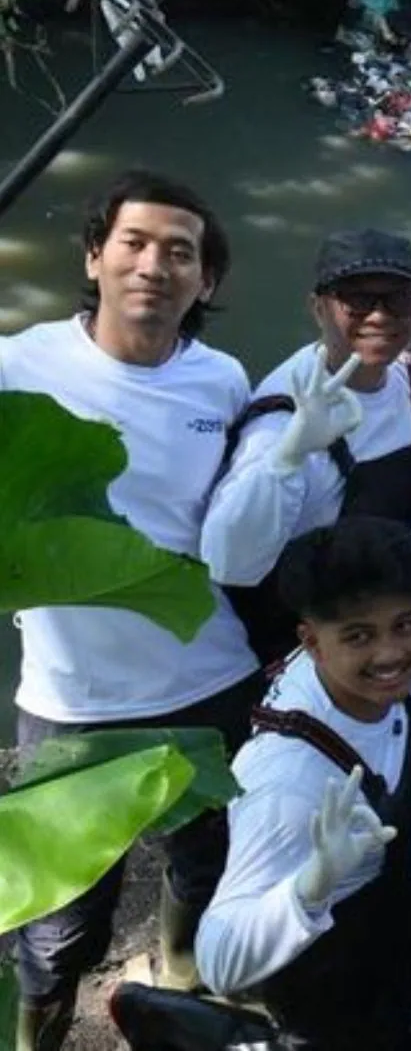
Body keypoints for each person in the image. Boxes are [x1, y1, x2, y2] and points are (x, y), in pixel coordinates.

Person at [1, 172, 260, 1048]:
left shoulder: (224, 382)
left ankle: (175, 992)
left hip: (206, 676)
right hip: (72, 696)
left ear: (206, 282)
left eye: (180, 251)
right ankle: (39, 1034)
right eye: (135, 243)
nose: (155, 264)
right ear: (94, 256)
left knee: (206, 862)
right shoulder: (18, 365)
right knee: (56, 926)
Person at [194, 517, 411, 1050]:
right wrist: (311, 886)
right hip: (326, 973)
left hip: (390, 936)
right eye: (359, 636)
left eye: (406, 625)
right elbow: (219, 961)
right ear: (312, 642)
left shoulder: (371, 682)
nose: (391, 654)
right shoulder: (286, 781)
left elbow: (396, 670)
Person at [202, 229, 411, 665]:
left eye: (398, 299)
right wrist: (289, 454)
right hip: (310, 654)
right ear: (318, 308)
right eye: (357, 300)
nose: (379, 316)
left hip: (393, 626)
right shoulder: (282, 415)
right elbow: (228, 562)